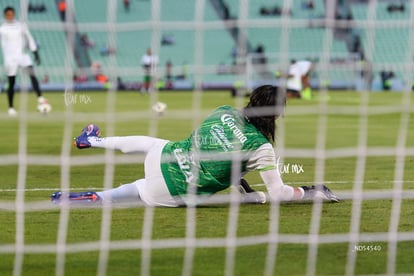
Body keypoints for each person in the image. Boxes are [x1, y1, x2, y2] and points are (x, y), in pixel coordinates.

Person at [50, 85, 339, 207]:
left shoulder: (224, 110)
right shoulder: (262, 147)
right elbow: (278, 193)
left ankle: (93, 141)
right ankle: (96, 197)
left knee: (154, 143)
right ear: (276, 113)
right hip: (176, 189)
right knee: (143, 189)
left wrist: (246, 190)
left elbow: (222, 150)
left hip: (164, 158)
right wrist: (310, 191)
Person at [0, 6, 48, 116]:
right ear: (5, 16)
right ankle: (11, 107)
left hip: (23, 56)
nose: (10, 16)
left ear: (14, 14)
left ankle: (40, 98)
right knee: (11, 82)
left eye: (11, 14)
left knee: (32, 75)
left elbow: (29, 39)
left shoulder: (21, 26)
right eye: (8, 15)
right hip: (10, 59)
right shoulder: (2, 29)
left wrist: (35, 52)